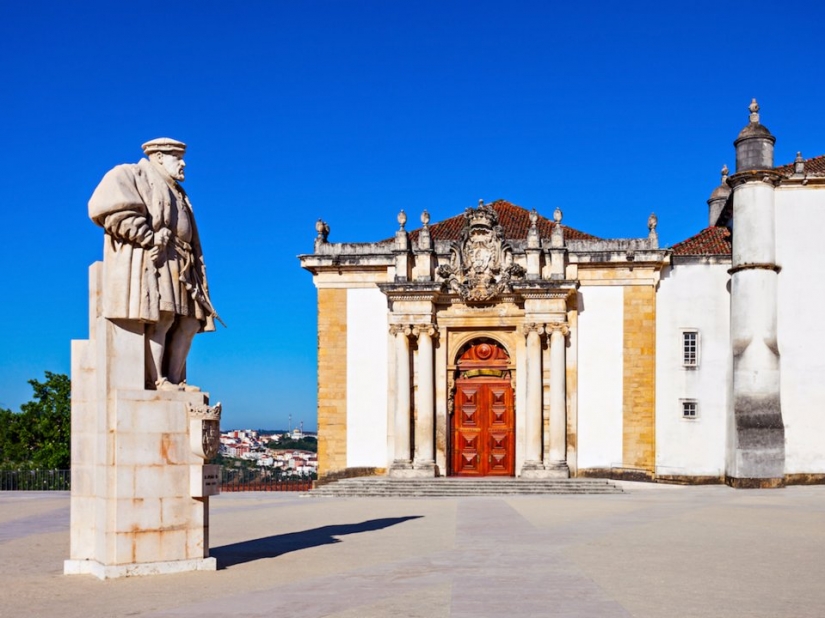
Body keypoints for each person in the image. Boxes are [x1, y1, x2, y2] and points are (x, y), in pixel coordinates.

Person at [88, 138, 219, 391]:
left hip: (184, 261)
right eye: (176, 158)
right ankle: (158, 379)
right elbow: (110, 211)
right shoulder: (131, 174)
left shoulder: (179, 192)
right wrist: (148, 236)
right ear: (158, 156)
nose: (183, 163)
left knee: (191, 321)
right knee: (163, 316)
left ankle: (175, 378)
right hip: (159, 256)